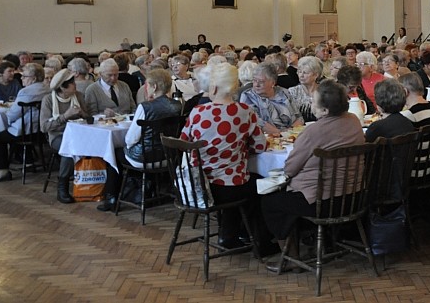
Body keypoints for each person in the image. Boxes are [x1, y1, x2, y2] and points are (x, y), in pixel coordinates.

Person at [261, 80, 364, 271]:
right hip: (353, 196)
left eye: (314, 101)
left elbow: (290, 168)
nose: (310, 103)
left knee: (270, 201)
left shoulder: (314, 130)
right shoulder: (353, 120)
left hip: (322, 201)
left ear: (324, 110)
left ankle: (291, 258)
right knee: (289, 197)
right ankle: (320, 243)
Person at [180, 63, 266, 249]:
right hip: (231, 185)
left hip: (200, 186)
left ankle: (229, 234)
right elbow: (260, 145)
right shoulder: (245, 111)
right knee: (259, 185)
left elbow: (183, 141)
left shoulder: (197, 112)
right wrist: (241, 148)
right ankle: (250, 237)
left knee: (242, 184)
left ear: (214, 87)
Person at [96, 69, 184, 212]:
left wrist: (129, 144)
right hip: (168, 156)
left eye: (147, 85)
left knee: (113, 153)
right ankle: (146, 189)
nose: (146, 88)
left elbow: (130, 139)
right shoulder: (177, 105)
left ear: (154, 87)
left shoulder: (145, 107)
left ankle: (111, 198)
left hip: (144, 158)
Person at [0, 63, 48, 182]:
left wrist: (9, 119)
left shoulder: (26, 92)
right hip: (42, 131)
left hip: (27, 131)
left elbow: (13, 114)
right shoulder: (48, 89)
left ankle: (3, 171)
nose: (21, 78)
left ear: (34, 78)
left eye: (24, 76)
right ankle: (29, 162)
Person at [41, 69, 91, 203]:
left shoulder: (78, 96)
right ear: (63, 87)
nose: (75, 85)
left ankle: (95, 183)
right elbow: (44, 127)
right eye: (72, 83)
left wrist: (82, 114)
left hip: (79, 134)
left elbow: (89, 118)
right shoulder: (48, 100)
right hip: (58, 136)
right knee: (69, 148)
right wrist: (65, 116)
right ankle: (62, 187)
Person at [239, 62, 303, 134]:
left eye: (261, 81)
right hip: (267, 138)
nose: (256, 84)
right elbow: (258, 122)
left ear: (273, 83)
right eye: (254, 80)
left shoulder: (284, 92)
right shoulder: (248, 96)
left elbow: (299, 118)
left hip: (291, 136)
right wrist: (280, 134)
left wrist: (289, 133)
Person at [287, 56, 323, 123]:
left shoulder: (323, 91)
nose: (301, 75)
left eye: (305, 73)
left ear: (316, 75)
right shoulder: (293, 91)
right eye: (299, 72)